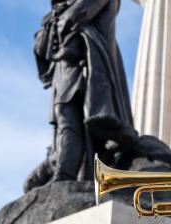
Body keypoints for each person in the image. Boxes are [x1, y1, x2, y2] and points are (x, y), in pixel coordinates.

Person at [25, 0, 135, 191]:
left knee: (70, 120)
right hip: (65, 71)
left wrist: (57, 19)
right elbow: (43, 47)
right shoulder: (59, 11)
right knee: (65, 122)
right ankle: (72, 172)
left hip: (83, 69)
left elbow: (73, 17)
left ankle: (65, 175)